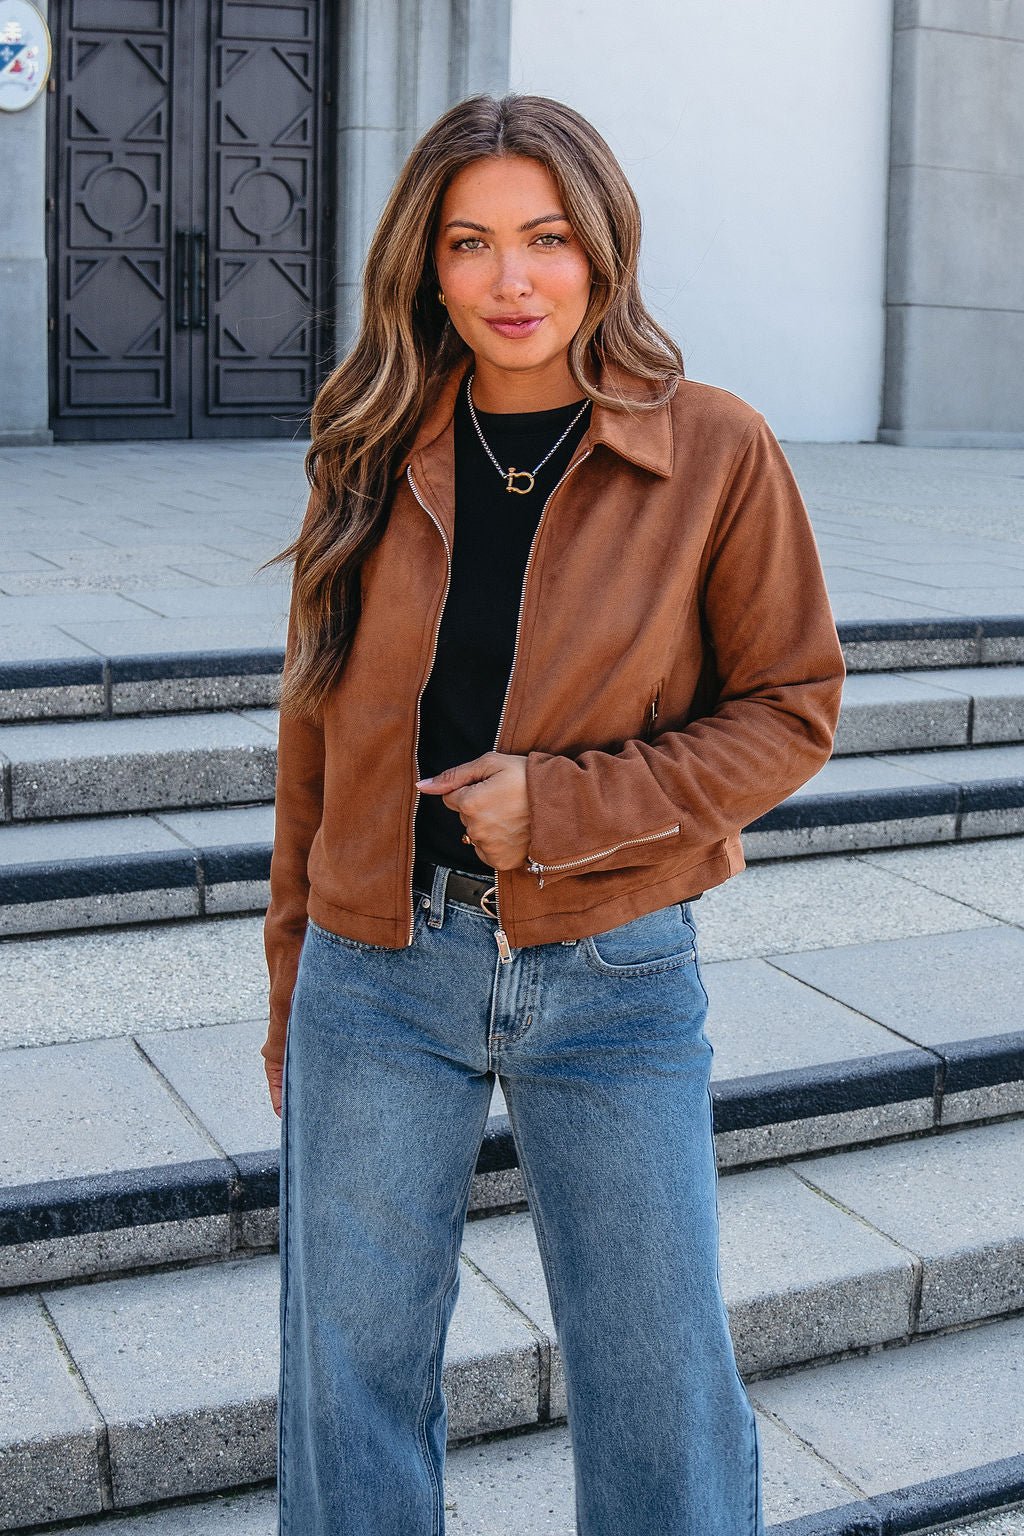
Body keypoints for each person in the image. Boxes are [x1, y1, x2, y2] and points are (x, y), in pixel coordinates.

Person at [262, 91, 845, 1536]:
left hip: (617, 966)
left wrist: (568, 809)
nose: (511, 283)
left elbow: (794, 706)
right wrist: (293, 977)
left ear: (603, 249)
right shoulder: (369, 441)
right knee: (349, 1383)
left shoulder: (714, 450)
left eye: (545, 239)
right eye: (470, 244)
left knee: (660, 1388)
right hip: (379, 969)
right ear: (426, 266)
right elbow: (312, 739)